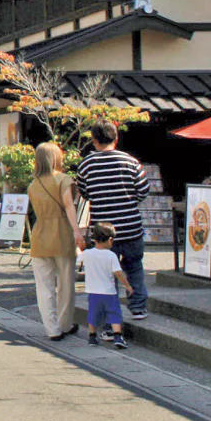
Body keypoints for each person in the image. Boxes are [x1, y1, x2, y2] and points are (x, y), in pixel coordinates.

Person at [76, 121, 150, 320]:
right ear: (116, 138)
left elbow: (84, 192)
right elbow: (143, 191)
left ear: (93, 141)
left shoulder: (86, 165)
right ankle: (138, 307)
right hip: (131, 227)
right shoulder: (131, 162)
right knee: (134, 267)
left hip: (102, 232)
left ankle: (111, 317)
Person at [28, 142, 82, 342]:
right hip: (62, 233)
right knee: (66, 284)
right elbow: (69, 207)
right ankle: (65, 324)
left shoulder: (33, 185)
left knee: (44, 286)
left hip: (40, 234)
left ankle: (52, 329)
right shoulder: (64, 180)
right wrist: (77, 232)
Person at [78, 223, 133, 350]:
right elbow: (118, 273)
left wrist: (80, 246)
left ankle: (92, 336)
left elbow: (76, 258)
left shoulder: (88, 254)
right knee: (114, 313)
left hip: (93, 291)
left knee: (93, 313)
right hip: (109, 291)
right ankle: (118, 336)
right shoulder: (111, 255)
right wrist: (127, 285)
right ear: (110, 240)